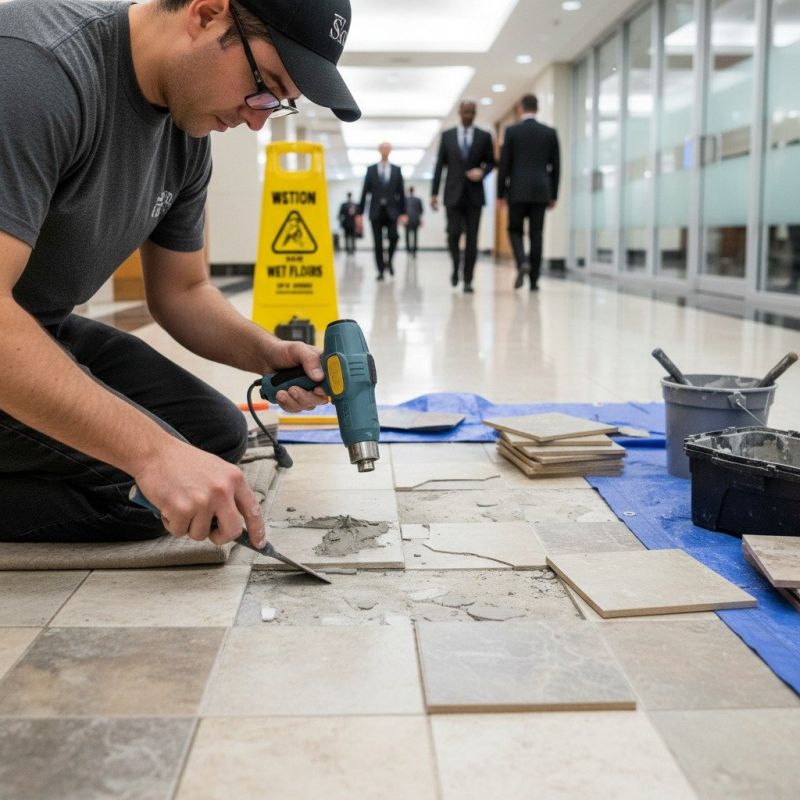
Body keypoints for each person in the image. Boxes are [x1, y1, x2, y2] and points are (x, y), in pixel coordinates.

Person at [0, 0, 360, 547]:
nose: (258, 118)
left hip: (32, 322)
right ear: (207, 13)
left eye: (279, 105)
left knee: (212, 439)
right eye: (265, 85)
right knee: (153, 491)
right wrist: (152, 455)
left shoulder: (186, 132)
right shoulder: (35, 71)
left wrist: (269, 353)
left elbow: (182, 291)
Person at [497, 93, 560, 291]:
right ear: (537, 108)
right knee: (536, 233)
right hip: (541, 191)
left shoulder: (512, 131)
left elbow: (504, 165)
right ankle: (534, 280)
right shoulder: (549, 132)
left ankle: (522, 261)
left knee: (514, 230)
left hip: (517, 190)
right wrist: (553, 194)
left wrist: (500, 194)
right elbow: (556, 167)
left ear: (520, 108)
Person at [431, 100, 495, 293]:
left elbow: (492, 162)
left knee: (472, 239)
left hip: (475, 195)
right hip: (452, 194)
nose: (468, 115)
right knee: (453, 234)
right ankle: (455, 267)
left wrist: (482, 172)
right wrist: (434, 193)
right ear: (459, 112)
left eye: (472, 112)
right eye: (465, 111)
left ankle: (468, 279)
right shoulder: (447, 136)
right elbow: (439, 166)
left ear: (475, 114)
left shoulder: (484, 136)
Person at [357, 142, 407, 280]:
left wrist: (403, 213)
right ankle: (380, 270)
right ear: (379, 150)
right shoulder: (371, 169)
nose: (385, 151)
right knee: (378, 243)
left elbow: (401, 193)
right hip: (375, 211)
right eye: (383, 148)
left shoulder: (397, 170)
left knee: (394, 237)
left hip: (392, 211)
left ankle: (389, 261)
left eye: (387, 148)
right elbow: (364, 192)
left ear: (390, 151)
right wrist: (359, 213)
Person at [404, 186, 424, 257]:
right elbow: (421, 211)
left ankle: (408, 250)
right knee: (415, 236)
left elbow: (402, 211)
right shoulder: (418, 200)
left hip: (407, 220)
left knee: (407, 236)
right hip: (415, 220)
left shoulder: (405, 199)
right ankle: (414, 251)